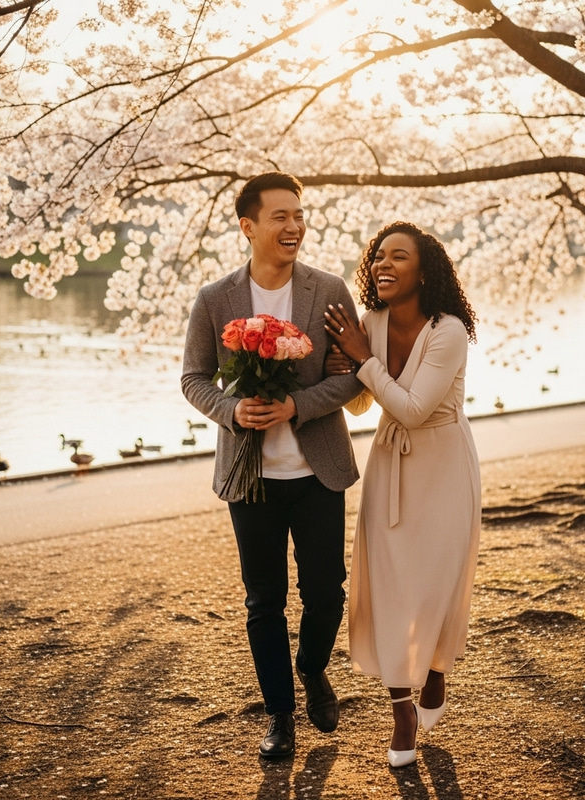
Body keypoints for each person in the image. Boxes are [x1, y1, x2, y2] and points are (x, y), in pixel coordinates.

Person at [181, 172, 362, 759]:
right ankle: (280, 716)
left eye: (299, 214)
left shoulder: (329, 289)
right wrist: (232, 411)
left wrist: (295, 405)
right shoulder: (216, 299)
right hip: (249, 477)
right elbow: (193, 378)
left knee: (327, 592)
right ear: (249, 227)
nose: (294, 226)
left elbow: (349, 374)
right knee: (263, 601)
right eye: (280, 217)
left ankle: (312, 668)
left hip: (318, 471)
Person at [324, 220, 481, 768]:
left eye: (398, 257)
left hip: (443, 462)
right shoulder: (371, 321)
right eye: (378, 258)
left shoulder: (449, 331)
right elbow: (365, 406)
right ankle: (401, 711)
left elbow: (414, 409)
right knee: (390, 588)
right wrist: (339, 364)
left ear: (425, 270)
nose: (383, 266)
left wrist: (360, 359)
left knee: (439, 578)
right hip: (389, 466)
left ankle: (437, 667)